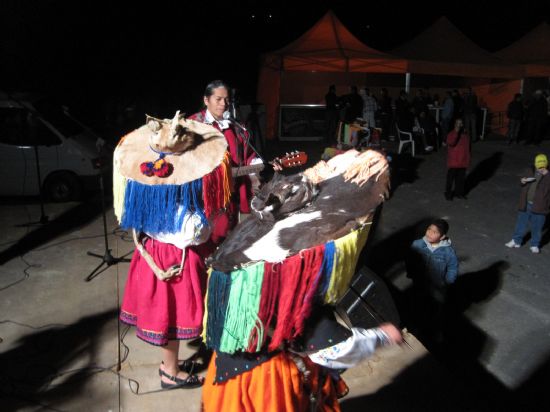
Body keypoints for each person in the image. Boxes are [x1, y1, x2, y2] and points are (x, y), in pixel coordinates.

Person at [114, 112, 233, 389]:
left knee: (168, 314)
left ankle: (171, 364)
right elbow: (192, 234)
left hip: (153, 252)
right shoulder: (178, 198)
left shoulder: (145, 186)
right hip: (173, 258)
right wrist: (212, 216)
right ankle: (170, 372)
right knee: (171, 317)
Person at [189, 80, 265, 244]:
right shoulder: (193, 125)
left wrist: (257, 169)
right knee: (204, 238)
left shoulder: (236, 126)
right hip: (202, 195)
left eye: (227, 99)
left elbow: (249, 154)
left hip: (231, 192)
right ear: (206, 100)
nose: (224, 104)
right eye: (218, 99)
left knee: (227, 234)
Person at [407, 219, 458, 342]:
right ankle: (414, 329)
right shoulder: (417, 244)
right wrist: (412, 273)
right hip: (420, 282)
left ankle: (437, 332)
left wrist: (448, 281)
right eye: (429, 229)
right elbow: (409, 259)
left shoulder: (448, 251)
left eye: (435, 232)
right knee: (417, 305)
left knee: (437, 308)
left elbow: (452, 267)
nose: (430, 233)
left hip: (437, 285)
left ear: (442, 236)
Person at [505, 154, 550, 253]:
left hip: (540, 206)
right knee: (520, 223)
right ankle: (516, 241)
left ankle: (535, 244)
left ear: (546, 165)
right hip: (526, 203)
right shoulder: (530, 170)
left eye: (543, 167)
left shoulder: (548, 176)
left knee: (537, 227)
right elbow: (522, 182)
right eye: (539, 167)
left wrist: (547, 174)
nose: (540, 169)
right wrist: (522, 181)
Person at [445, 118, 470, 200]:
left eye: (460, 123)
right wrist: (456, 131)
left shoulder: (465, 136)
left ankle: (459, 193)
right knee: (450, 180)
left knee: (460, 180)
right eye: (457, 123)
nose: (459, 125)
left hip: (462, 162)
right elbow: (451, 142)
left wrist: (468, 159)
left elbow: (468, 149)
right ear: (454, 124)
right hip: (454, 162)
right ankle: (448, 194)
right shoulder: (451, 134)